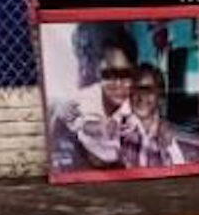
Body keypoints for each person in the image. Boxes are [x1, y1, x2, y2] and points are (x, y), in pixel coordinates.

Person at [48, 24, 138, 171]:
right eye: (108, 75)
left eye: (124, 74)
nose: (117, 84)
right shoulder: (78, 105)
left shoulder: (134, 107)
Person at [121, 63, 189, 167]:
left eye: (148, 90)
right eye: (136, 90)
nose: (141, 96)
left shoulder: (169, 138)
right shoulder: (121, 130)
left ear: (160, 98)